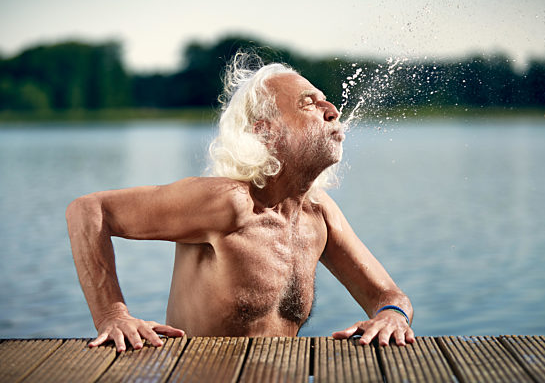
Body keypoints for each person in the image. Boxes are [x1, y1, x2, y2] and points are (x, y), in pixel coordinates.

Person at [66, 52, 415, 353]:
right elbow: (88, 210)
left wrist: (391, 317)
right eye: (309, 103)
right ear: (265, 132)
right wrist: (113, 316)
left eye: (325, 100)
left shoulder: (317, 214)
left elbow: (389, 296)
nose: (332, 110)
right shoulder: (228, 202)